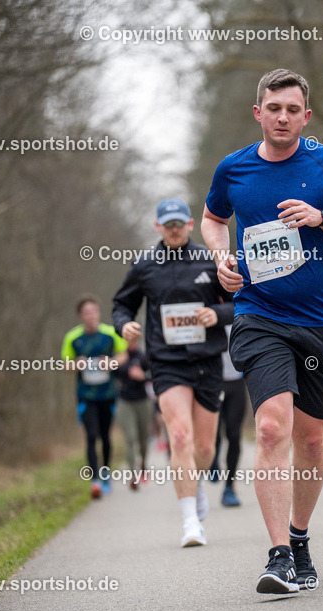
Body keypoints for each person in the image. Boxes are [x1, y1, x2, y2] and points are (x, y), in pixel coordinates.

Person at [200, 68, 323, 593]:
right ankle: (278, 556)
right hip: (258, 314)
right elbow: (211, 218)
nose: (282, 117)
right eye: (273, 108)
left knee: (313, 437)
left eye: (292, 110)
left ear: (306, 115)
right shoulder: (233, 169)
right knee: (273, 428)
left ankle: (300, 539)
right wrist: (220, 255)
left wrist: (321, 218)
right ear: (258, 112)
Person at [113, 198, 234, 547]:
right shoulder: (145, 265)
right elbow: (122, 304)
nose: (175, 229)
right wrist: (125, 325)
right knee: (179, 437)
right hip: (166, 362)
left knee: (206, 448)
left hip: (208, 361)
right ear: (158, 228)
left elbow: (242, 300)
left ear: (191, 224)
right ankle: (190, 522)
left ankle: (194, 492)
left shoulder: (210, 260)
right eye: (168, 224)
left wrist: (219, 315)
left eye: (180, 223)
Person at [62, 295, 128, 499]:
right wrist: (77, 364)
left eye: (94, 312)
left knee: (105, 435)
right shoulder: (73, 338)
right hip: (86, 395)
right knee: (91, 436)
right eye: (86, 313)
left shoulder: (109, 334)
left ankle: (106, 473)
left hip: (107, 393)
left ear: (98, 313)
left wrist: (111, 363)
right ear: (81, 316)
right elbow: (65, 365)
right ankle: (95, 481)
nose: (91, 316)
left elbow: (124, 355)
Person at [209, 325, 247, 507]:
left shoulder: (243, 309)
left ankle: (229, 487)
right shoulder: (210, 308)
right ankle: (212, 460)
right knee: (213, 433)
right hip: (214, 382)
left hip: (237, 384)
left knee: (234, 434)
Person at [113, 337, 152, 490]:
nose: (131, 342)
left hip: (143, 401)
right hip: (125, 402)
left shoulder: (144, 357)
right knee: (130, 438)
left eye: (134, 340)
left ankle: (143, 465)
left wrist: (143, 376)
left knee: (143, 439)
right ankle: (132, 475)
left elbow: (156, 375)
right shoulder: (119, 358)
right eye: (128, 340)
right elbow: (107, 371)